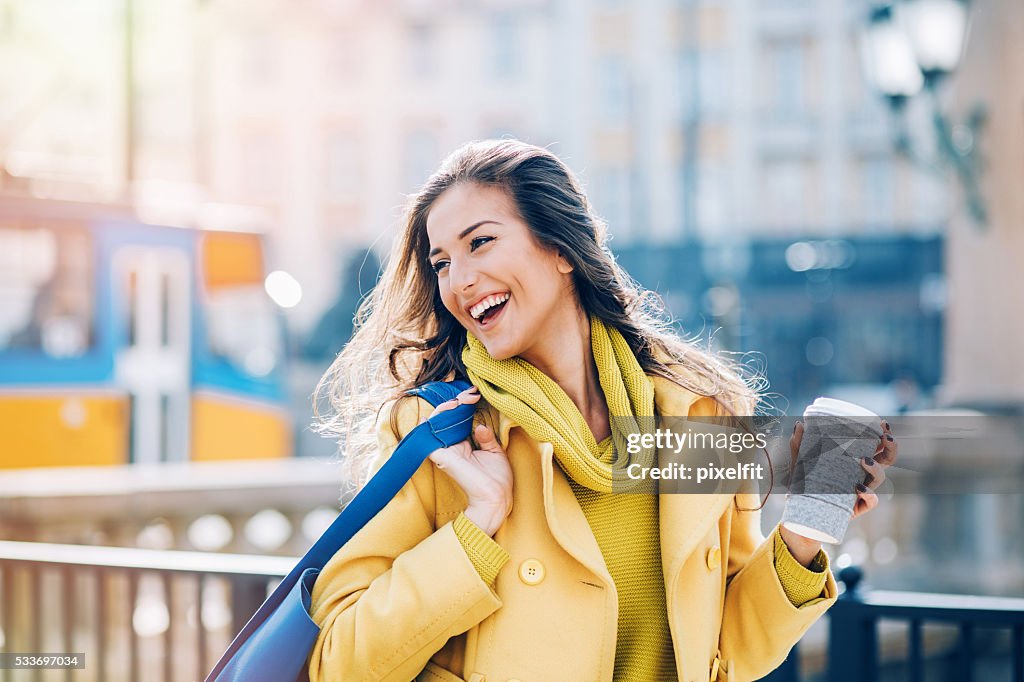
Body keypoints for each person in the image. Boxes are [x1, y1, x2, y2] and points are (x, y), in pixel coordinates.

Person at [309, 139, 898, 681]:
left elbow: (729, 650)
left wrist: (802, 532)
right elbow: (340, 663)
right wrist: (475, 528)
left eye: (479, 242)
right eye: (440, 263)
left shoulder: (696, 417)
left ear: (561, 249)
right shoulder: (442, 434)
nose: (458, 280)